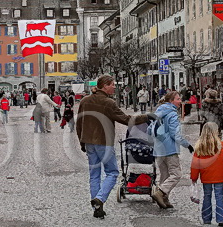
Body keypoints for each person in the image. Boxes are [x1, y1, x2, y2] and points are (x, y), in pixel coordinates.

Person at [76, 75, 151, 219]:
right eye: (112, 84)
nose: (114, 87)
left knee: (94, 175)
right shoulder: (108, 103)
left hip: (89, 143)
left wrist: (82, 142)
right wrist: (146, 117)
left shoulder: (85, 101)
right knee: (112, 172)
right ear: (104, 86)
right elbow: (126, 120)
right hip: (104, 142)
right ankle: (100, 198)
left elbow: (79, 124)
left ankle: (97, 207)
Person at [190, 122, 223, 227]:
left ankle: (206, 218)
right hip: (219, 176)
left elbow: (195, 164)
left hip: (206, 176)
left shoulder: (199, 147)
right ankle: (221, 218)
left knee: (207, 196)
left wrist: (194, 178)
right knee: (219, 196)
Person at [150, 91, 194, 209]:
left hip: (158, 148)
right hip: (169, 148)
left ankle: (164, 199)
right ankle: (160, 192)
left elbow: (149, 129)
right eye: (178, 99)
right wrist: (187, 145)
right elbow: (175, 134)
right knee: (176, 174)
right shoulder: (172, 114)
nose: (180, 101)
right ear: (171, 101)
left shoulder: (158, 112)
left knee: (164, 174)